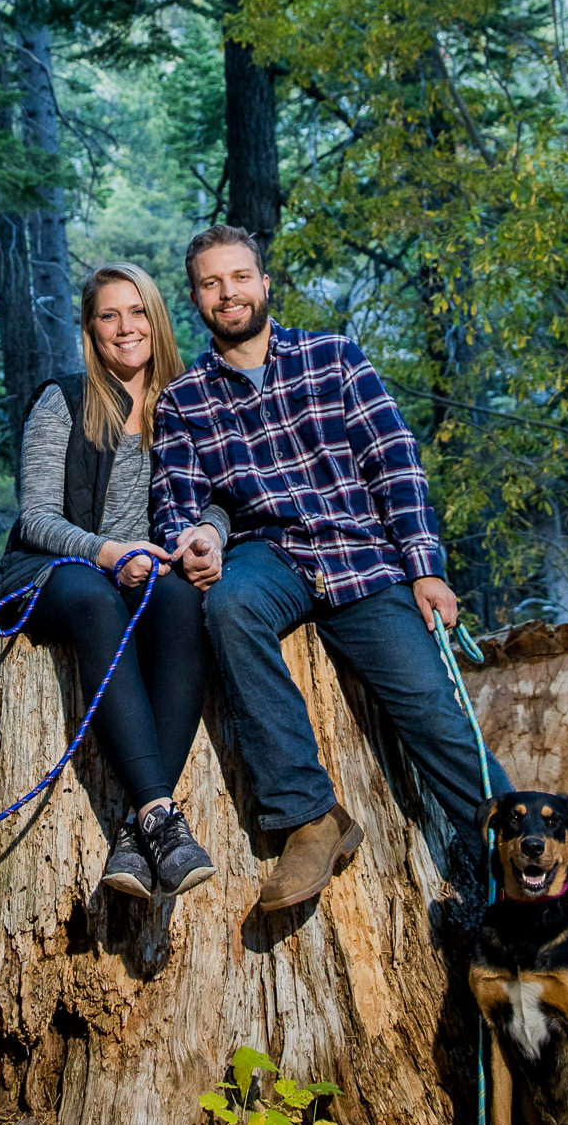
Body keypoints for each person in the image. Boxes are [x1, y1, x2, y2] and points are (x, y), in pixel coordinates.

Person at [151, 224, 508, 914]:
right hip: (270, 553)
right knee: (227, 606)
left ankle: (550, 913)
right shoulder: (185, 399)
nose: (228, 293)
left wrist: (425, 567)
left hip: (363, 559)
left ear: (264, 282)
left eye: (240, 277)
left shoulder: (334, 356)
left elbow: (396, 463)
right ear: (195, 297)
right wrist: (194, 538)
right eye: (211, 283)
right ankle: (309, 816)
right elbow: (178, 502)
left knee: (439, 720)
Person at [0, 262, 226, 901]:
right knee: (94, 599)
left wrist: (209, 535)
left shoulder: (188, 399)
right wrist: (107, 551)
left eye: (137, 311)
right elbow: (35, 516)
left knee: (183, 602)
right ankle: (159, 811)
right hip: (58, 570)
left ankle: (137, 829)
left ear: (157, 317)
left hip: (151, 571)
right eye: (108, 316)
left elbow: (223, 495)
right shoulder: (62, 400)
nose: (126, 328)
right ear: (91, 330)